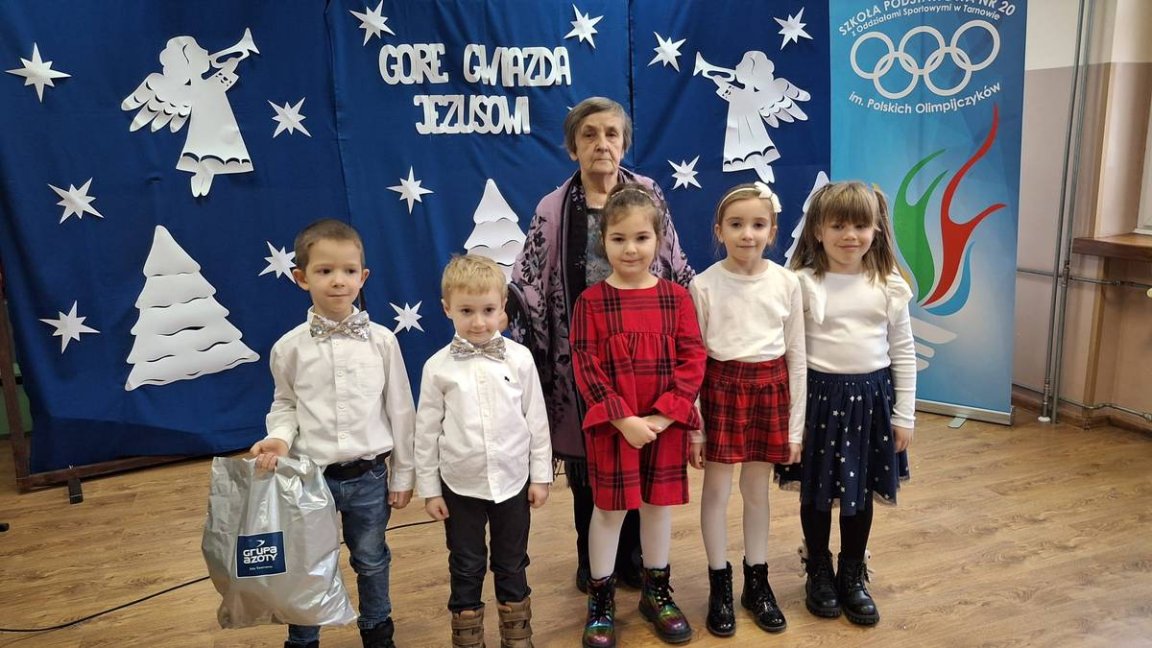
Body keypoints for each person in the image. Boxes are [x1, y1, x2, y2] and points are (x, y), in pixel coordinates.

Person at [508, 96, 694, 595]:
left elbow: (673, 264)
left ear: (624, 142)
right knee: (593, 465)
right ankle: (593, 563)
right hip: (583, 358)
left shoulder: (649, 195)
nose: (602, 144)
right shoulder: (553, 208)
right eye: (589, 135)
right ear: (573, 147)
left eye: (611, 133)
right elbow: (528, 283)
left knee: (642, 454)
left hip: (647, 357)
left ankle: (634, 560)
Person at [250, 218, 415, 648]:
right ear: (301, 278)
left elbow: (401, 410)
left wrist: (403, 475)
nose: (338, 281)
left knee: (372, 558)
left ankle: (377, 629)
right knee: (309, 564)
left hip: (370, 477)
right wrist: (279, 438)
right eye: (325, 271)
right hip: (309, 478)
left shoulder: (383, 342)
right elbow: (285, 404)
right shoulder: (289, 348)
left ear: (363, 277)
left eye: (348, 271)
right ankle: (303, 638)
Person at [569, 184, 706, 647]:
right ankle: (600, 601)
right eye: (619, 238)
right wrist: (624, 419)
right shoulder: (591, 302)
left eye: (641, 238)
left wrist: (665, 417)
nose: (631, 248)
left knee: (657, 508)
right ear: (602, 241)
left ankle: (656, 593)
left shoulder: (676, 299)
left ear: (659, 240)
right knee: (608, 511)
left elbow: (692, 360)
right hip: (615, 429)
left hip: (663, 428)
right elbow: (586, 366)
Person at [780, 181, 915, 626]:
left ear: (876, 229)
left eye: (860, 225)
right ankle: (818, 567)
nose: (850, 235)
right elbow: (791, 354)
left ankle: (852, 571)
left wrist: (905, 415)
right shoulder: (801, 282)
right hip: (818, 400)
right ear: (818, 231)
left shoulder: (888, 284)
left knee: (860, 492)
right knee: (816, 490)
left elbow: (903, 351)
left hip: (870, 403)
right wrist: (793, 419)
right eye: (838, 225)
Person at [414, 255, 552, 648]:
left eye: (488, 310)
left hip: (513, 482)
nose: (478, 322)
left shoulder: (520, 359)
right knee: (466, 563)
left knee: (512, 561)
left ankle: (517, 634)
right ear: (447, 309)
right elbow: (426, 433)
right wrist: (431, 490)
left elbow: (536, 421)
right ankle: (468, 635)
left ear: (502, 307)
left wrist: (541, 476)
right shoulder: (437, 368)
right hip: (460, 485)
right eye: (466, 311)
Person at [688, 182, 806, 637]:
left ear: (772, 231)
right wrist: (696, 429)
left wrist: (795, 428)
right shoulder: (704, 285)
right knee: (717, 491)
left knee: (757, 490)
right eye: (736, 225)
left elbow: (797, 357)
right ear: (719, 230)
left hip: (769, 391)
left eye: (758, 225)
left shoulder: (787, 283)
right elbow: (695, 362)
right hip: (722, 391)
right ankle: (719, 583)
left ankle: (757, 582)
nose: (747, 234)